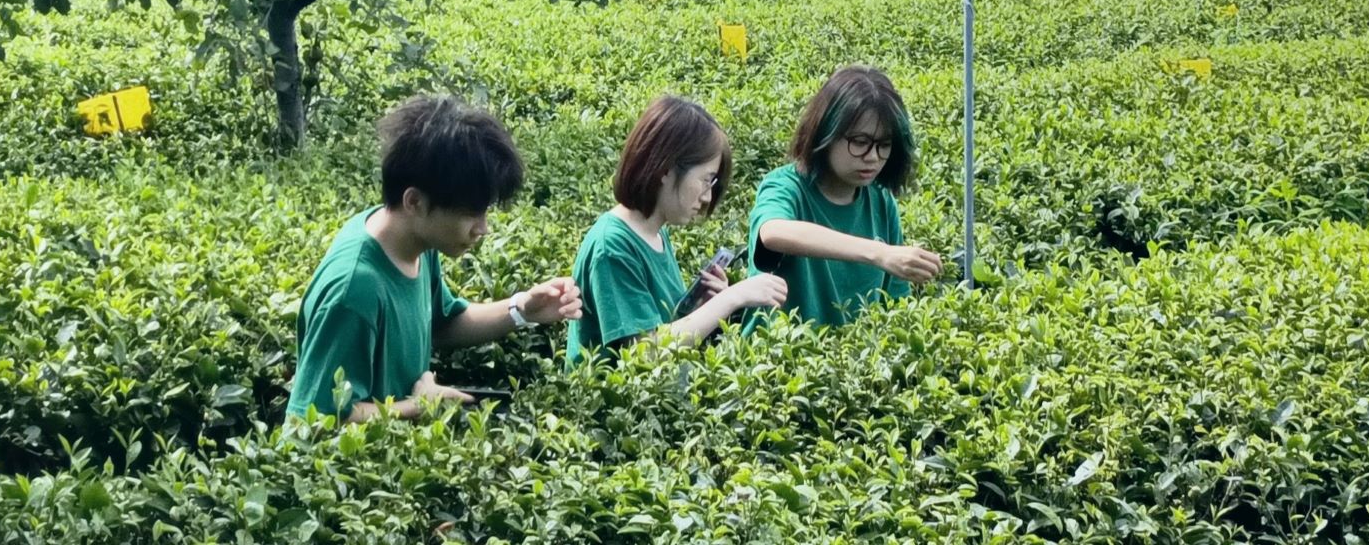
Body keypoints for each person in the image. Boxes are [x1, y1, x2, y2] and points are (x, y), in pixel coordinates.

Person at [287, 94, 582, 422]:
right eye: (471, 214)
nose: (482, 229)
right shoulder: (354, 291)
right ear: (414, 202)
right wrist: (420, 406)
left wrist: (522, 310)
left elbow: (442, 324)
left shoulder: (414, 244)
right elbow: (315, 419)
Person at [566, 95, 787, 364]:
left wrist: (699, 307)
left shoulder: (656, 233)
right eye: (707, 181)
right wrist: (731, 298)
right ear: (666, 169)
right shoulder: (611, 245)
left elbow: (663, 327)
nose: (707, 197)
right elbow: (644, 353)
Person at [745, 66, 942, 328]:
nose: (872, 157)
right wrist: (878, 252)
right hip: (779, 359)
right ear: (826, 132)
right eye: (860, 142)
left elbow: (895, 303)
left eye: (884, 145)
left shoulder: (881, 200)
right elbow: (773, 232)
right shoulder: (786, 186)